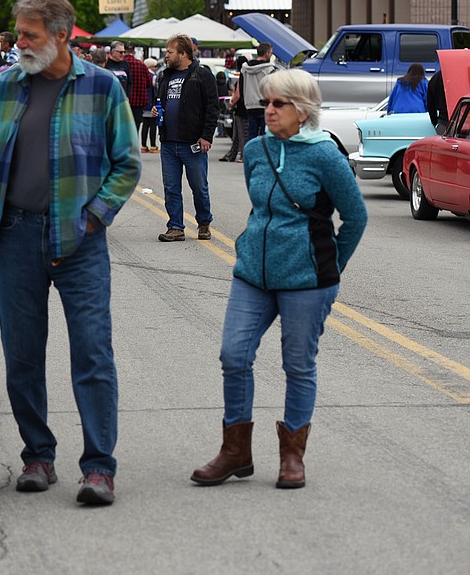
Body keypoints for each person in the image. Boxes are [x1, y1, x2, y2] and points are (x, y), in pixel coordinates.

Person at [0, 0, 140, 506]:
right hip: (16, 236)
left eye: (29, 34)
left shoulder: (103, 88)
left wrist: (92, 217)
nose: (18, 42)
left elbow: (127, 163)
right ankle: (37, 456)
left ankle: (98, 468)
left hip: (80, 243)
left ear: (62, 36)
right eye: (18, 32)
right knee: (21, 356)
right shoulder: (2, 89)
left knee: (92, 352)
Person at [191, 69, 367, 490]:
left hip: (308, 280)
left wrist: (329, 266)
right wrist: (250, 245)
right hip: (253, 274)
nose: (267, 110)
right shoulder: (255, 150)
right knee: (234, 355)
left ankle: (292, 456)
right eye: (266, 102)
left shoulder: (326, 155)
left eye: (277, 104)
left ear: (302, 110)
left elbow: (355, 216)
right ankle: (235, 451)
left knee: (297, 365)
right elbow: (261, 210)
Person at [156, 33, 219, 242]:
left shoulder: (201, 75)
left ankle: (203, 223)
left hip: (193, 143)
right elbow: (164, 102)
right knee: (171, 187)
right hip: (168, 142)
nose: (166, 56)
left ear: (183, 54)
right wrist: (159, 112)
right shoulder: (166, 76)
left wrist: (206, 136)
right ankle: (175, 226)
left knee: (199, 187)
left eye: (170, 52)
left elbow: (212, 108)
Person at [238, 42, 279, 143]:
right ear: (267, 54)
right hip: (264, 105)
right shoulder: (270, 69)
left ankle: (251, 155)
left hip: (250, 105)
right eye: (271, 53)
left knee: (251, 134)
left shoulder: (245, 68)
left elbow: (241, 86)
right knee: (265, 135)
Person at [139, 57, 159, 152]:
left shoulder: (142, 75)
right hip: (151, 103)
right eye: (155, 66)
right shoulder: (153, 76)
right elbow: (156, 90)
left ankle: (143, 145)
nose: (156, 68)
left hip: (143, 103)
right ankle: (153, 145)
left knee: (145, 126)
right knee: (153, 125)